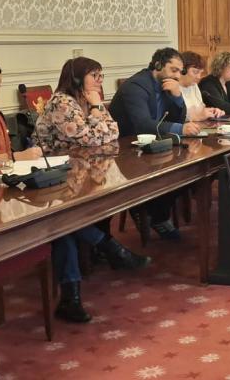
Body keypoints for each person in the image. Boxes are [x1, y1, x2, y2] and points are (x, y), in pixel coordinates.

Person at [32, 56, 151, 322]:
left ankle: (74, 294)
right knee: (65, 222)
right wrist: (98, 114)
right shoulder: (62, 102)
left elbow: (113, 131)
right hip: (52, 179)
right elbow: (88, 138)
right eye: (94, 76)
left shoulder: (88, 101)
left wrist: (97, 109)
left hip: (78, 173)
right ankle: (110, 249)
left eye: (101, 75)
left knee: (67, 223)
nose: (99, 81)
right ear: (76, 79)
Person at [109, 47, 199, 239]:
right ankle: (148, 210)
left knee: (189, 170)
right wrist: (180, 129)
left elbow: (178, 118)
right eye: (173, 70)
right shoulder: (136, 86)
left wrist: (177, 97)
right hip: (126, 151)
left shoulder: (167, 84)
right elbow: (142, 124)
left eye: (180, 71)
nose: (177, 76)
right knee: (175, 171)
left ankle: (156, 214)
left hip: (154, 146)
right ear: (158, 65)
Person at [178, 51, 224, 122]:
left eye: (200, 73)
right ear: (182, 70)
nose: (199, 77)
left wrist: (212, 111)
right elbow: (174, 117)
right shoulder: (173, 88)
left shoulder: (194, 86)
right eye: (195, 72)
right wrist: (197, 117)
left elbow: (200, 110)